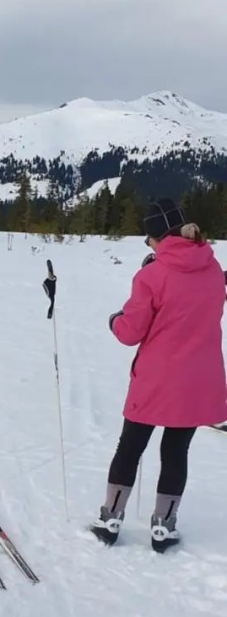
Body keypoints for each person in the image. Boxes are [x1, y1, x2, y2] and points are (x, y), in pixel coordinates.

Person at [92, 198, 227, 552]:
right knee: (176, 452)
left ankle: (110, 520)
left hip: (156, 380)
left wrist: (115, 319)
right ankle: (163, 527)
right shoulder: (213, 269)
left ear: (156, 238)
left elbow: (129, 332)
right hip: (198, 380)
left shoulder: (152, 275)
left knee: (130, 447)